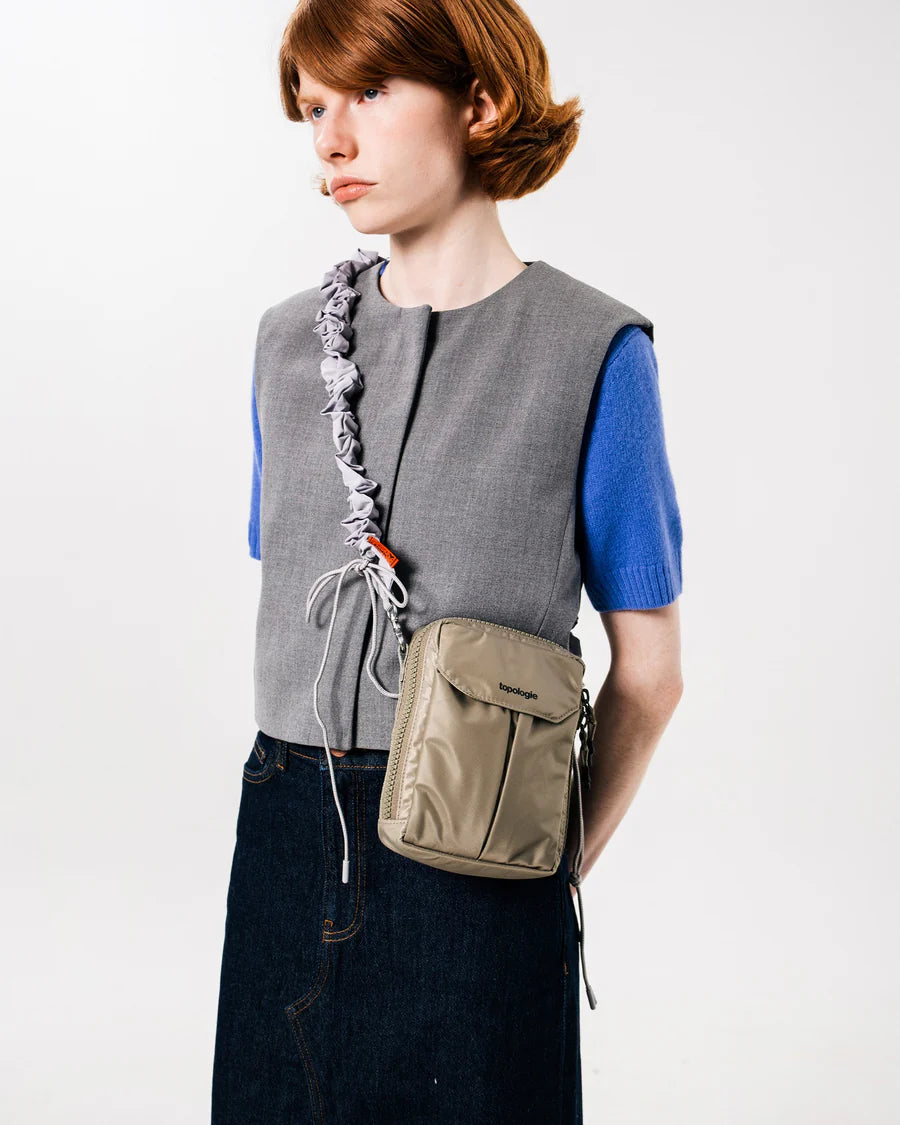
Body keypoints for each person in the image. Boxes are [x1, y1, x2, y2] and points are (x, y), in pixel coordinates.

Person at [211, 0, 684, 1121]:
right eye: (313, 108)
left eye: (371, 93)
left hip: (485, 856)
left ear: (482, 101)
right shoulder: (286, 344)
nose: (332, 140)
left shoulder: (595, 350)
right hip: (285, 832)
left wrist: (545, 865)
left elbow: (653, 675)